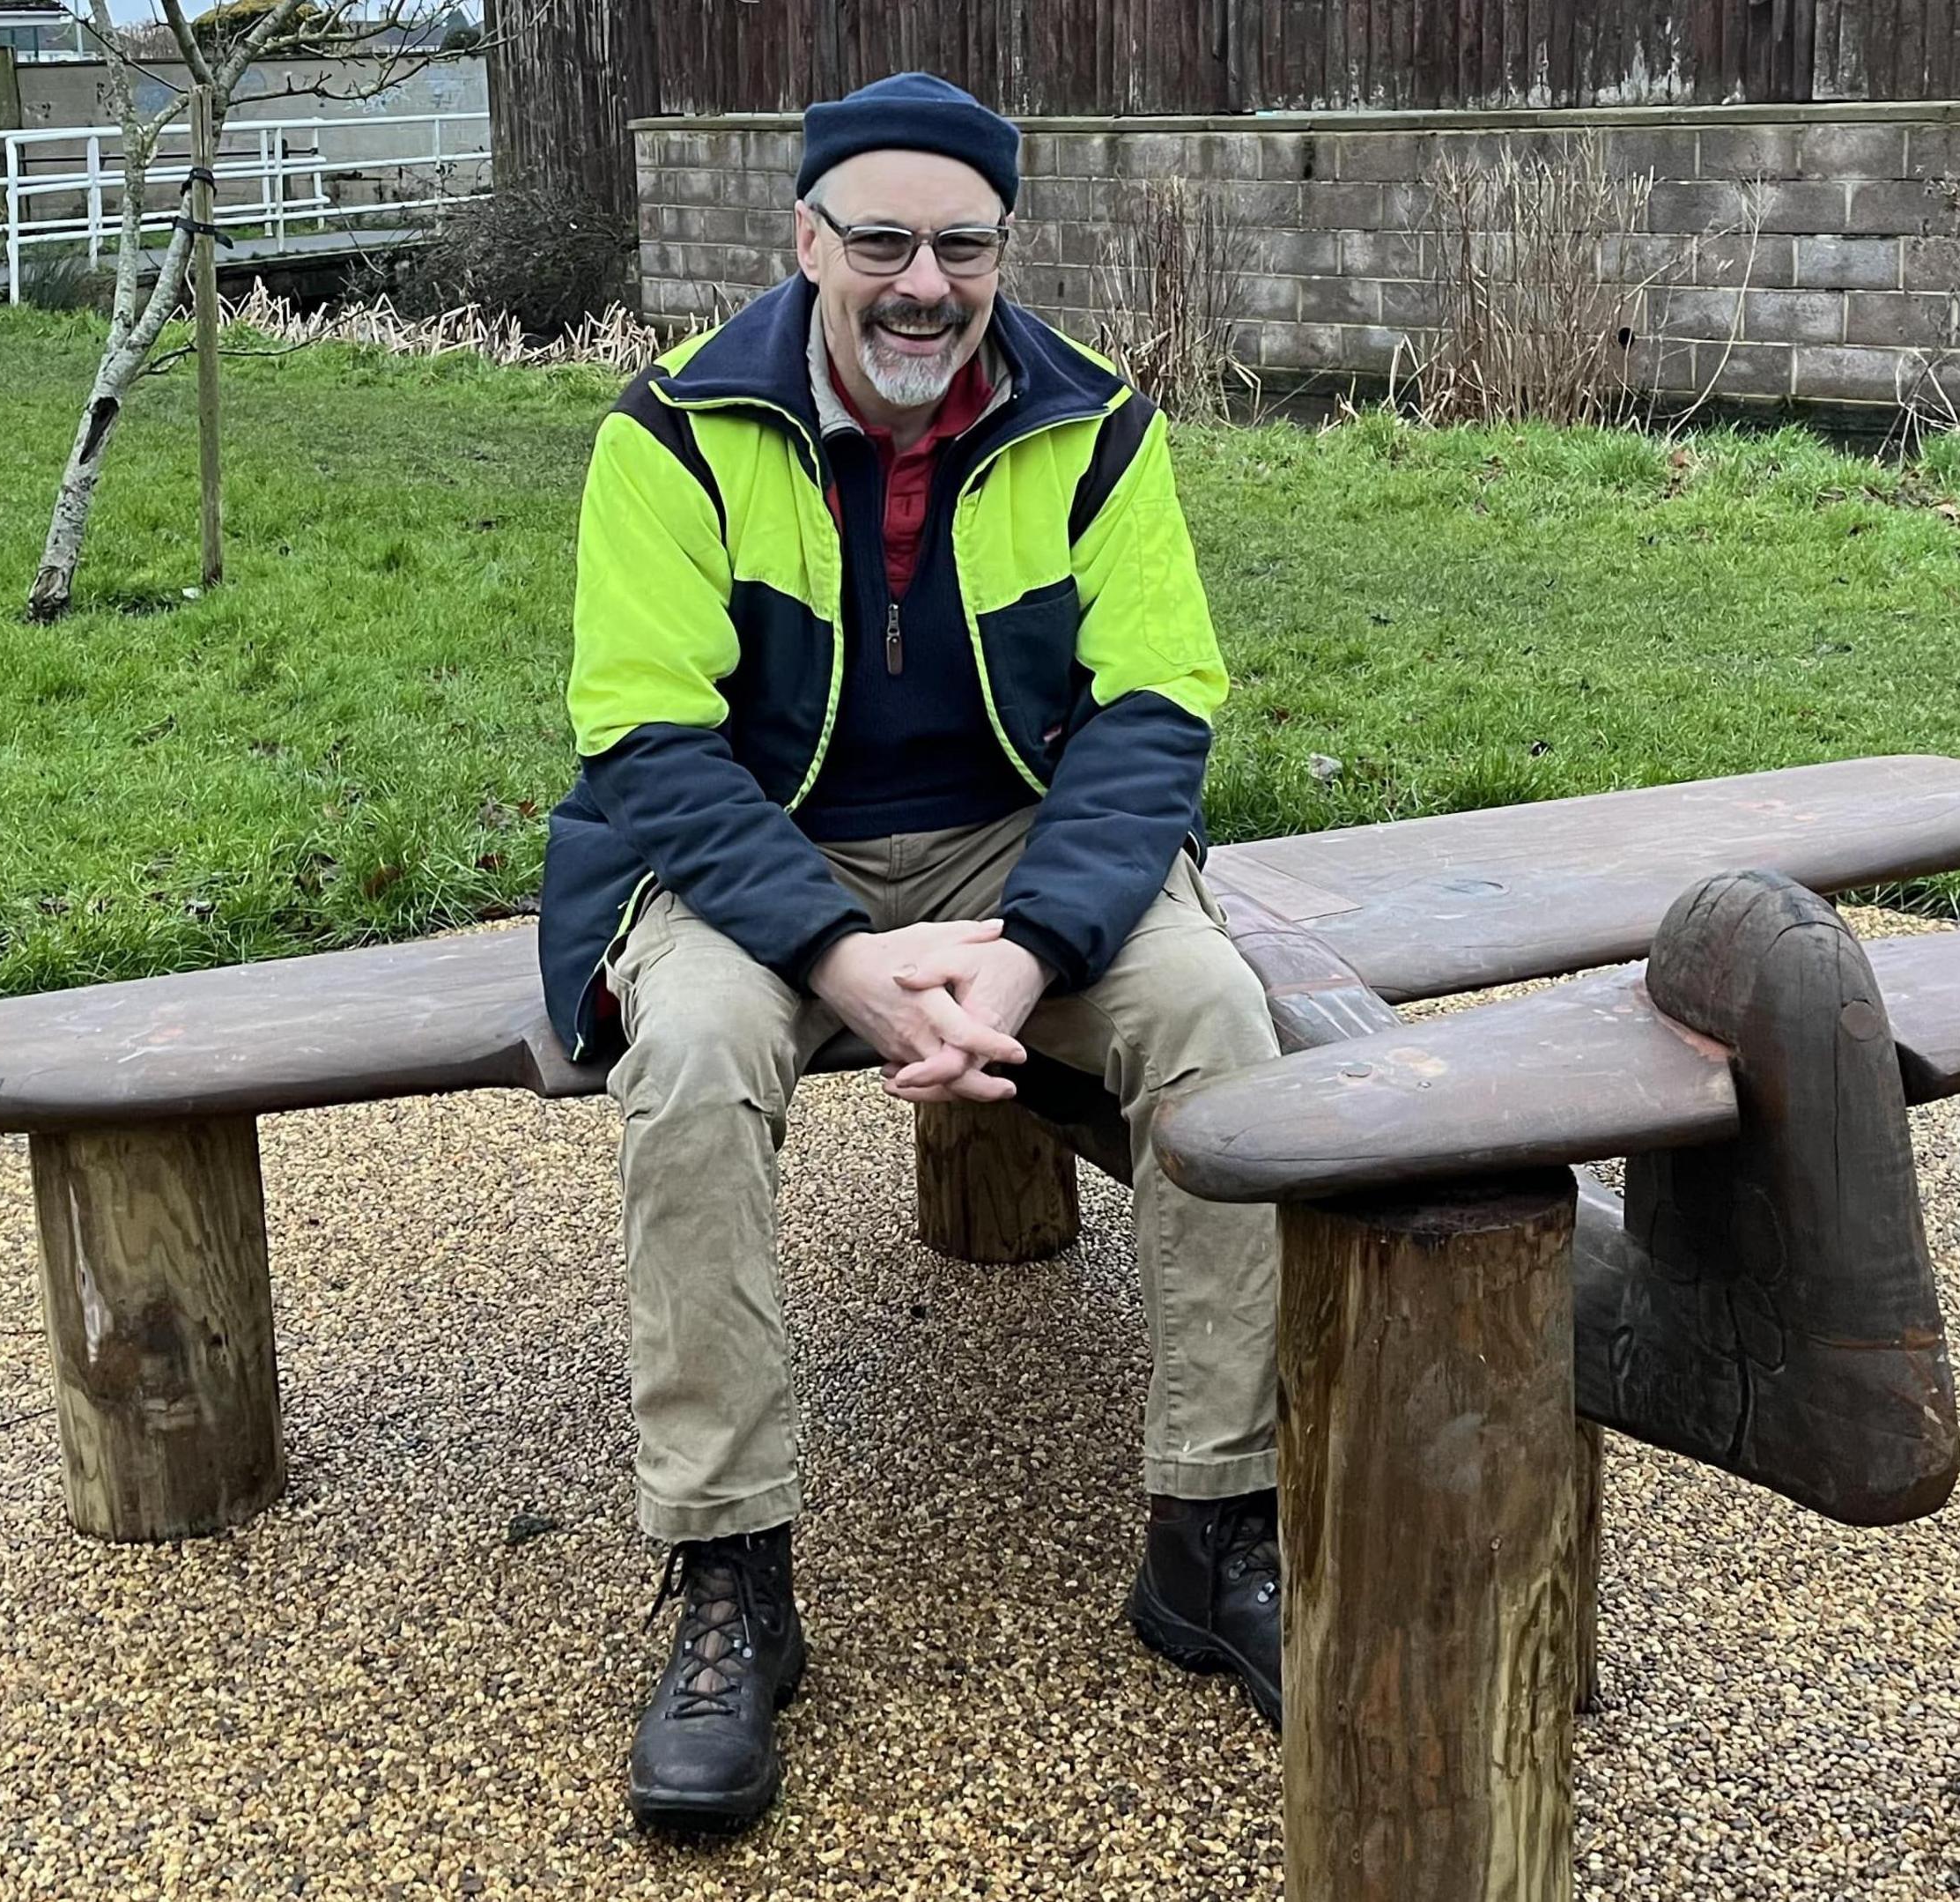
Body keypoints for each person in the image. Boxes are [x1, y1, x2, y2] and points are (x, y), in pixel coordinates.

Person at [536, 71, 1286, 1833]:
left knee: (1215, 1013)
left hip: (1022, 840)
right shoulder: (669, 433)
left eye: (963, 244)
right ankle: (731, 1572)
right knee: (701, 1059)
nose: (922, 283)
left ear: (1003, 251)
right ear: (804, 242)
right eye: (879, 239)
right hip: (752, 848)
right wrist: (837, 959)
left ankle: (1214, 1525)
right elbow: (648, 745)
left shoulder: (1096, 423)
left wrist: (1030, 957)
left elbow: (1157, 709)